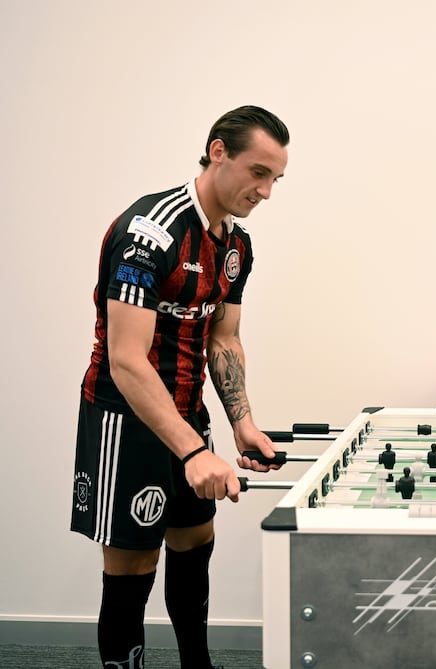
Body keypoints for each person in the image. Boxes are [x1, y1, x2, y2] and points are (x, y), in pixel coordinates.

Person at [70, 106, 290, 669]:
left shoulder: (236, 246)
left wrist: (242, 425)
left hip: (189, 416)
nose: (265, 191)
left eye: (275, 179)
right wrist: (192, 451)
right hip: (126, 419)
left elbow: (224, 338)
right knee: (133, 569)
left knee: (194, 549)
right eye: (258, 172)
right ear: (218, 152)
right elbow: (125, 360)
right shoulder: (151, 232)